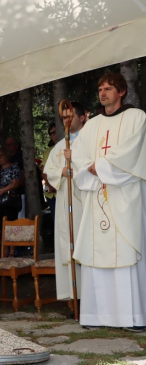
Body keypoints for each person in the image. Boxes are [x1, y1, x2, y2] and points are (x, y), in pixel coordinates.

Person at [71, 72, 146, 331]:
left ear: (122, 91)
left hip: (124, 196)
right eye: (100, 88)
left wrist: (100, 166)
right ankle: (96, 316)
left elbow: (132, 151)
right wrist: (90, 168)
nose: (103, 93)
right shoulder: (91, 125)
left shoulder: (137, 117)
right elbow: (78, 156)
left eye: (109, 88)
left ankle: (131, 318)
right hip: (98, 195)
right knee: (96, 252)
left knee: (125, 250)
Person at [44, 102, 85, 302]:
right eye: (63, 118)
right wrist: (61, 172)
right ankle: (74, 298)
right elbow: (48, 173)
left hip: (86, 202)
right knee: (69, 245)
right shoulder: (59, 146)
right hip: (65, 202)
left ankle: (91, 297)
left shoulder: (91, 139)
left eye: (70, 117)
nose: (66, 121)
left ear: (83, 117)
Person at [0, 147, 21, 257]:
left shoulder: (14, 167)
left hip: (11, 201)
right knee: (1, 227)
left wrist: (2, 191)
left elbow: (15, 183)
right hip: (0, 202)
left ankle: (12, 252)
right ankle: (3, 251)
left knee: (11, 226)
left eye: (1, 155)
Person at [41, 123, 58, 224]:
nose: (53, 135)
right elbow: (43, 170)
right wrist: (50, 184)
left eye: (55, 132)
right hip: (51, 193)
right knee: (55, 220)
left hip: (63, 190)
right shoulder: (48, 151)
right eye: (50, 133)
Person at [5, 137, 25, 218]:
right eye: (6, 145)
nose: (8, 147)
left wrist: (19, 184)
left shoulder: (21, 157)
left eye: (10, 144)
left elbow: (24, 173)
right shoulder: (6, 158)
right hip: (6, 195)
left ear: (16, 146)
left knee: (19, 217)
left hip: (19, 192)